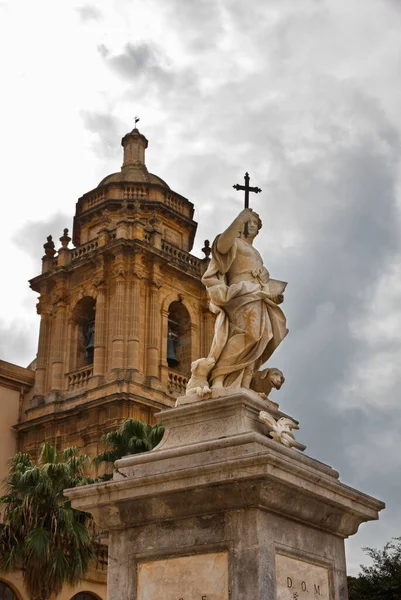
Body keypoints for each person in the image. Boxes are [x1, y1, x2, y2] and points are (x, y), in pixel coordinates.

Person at [202, 208, 288, 389]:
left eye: (257, 224)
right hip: (241, 292)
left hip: (259, 293)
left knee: (262, 338)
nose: (255, 226)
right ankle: (219, 375)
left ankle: (245, 384)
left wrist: (271, 289)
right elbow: (221, 247)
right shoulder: (233, 242)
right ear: (242, 225)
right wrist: (240, 217)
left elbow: (262, 278)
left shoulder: (256, 252)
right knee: (250, 334)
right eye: (251, 222)